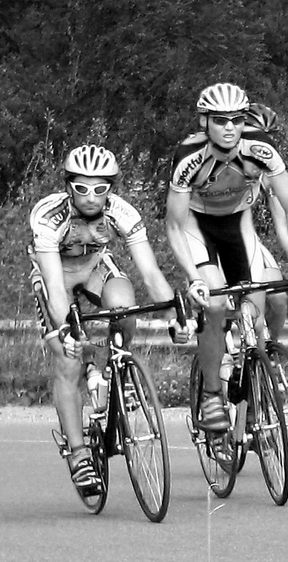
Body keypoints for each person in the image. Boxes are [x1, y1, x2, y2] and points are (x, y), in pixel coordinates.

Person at [29, 144, 190, 495]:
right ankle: (78, 454)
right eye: (81, 188)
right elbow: (55, 287)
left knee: (124, 306)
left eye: (100, 188)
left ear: (111, 189)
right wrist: (66, 330)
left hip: (94, 268)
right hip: (55, 276)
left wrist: (173, 317)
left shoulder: (122, 212)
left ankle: (114, 368)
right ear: (68, 186)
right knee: (68, 359)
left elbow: (151, 273)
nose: (91, 197)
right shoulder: (49, 215)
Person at [166, 83, 288, 432]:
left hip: (238, 226)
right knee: (215, 305)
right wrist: (193, 277)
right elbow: (174, 225)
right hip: (197, 227)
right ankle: (211, 395)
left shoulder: (261, 149)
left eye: (237, 120)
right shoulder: (188, 156)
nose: (229, 128)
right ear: (204, 121)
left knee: (256, 311)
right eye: (220, 120)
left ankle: (253, 382)